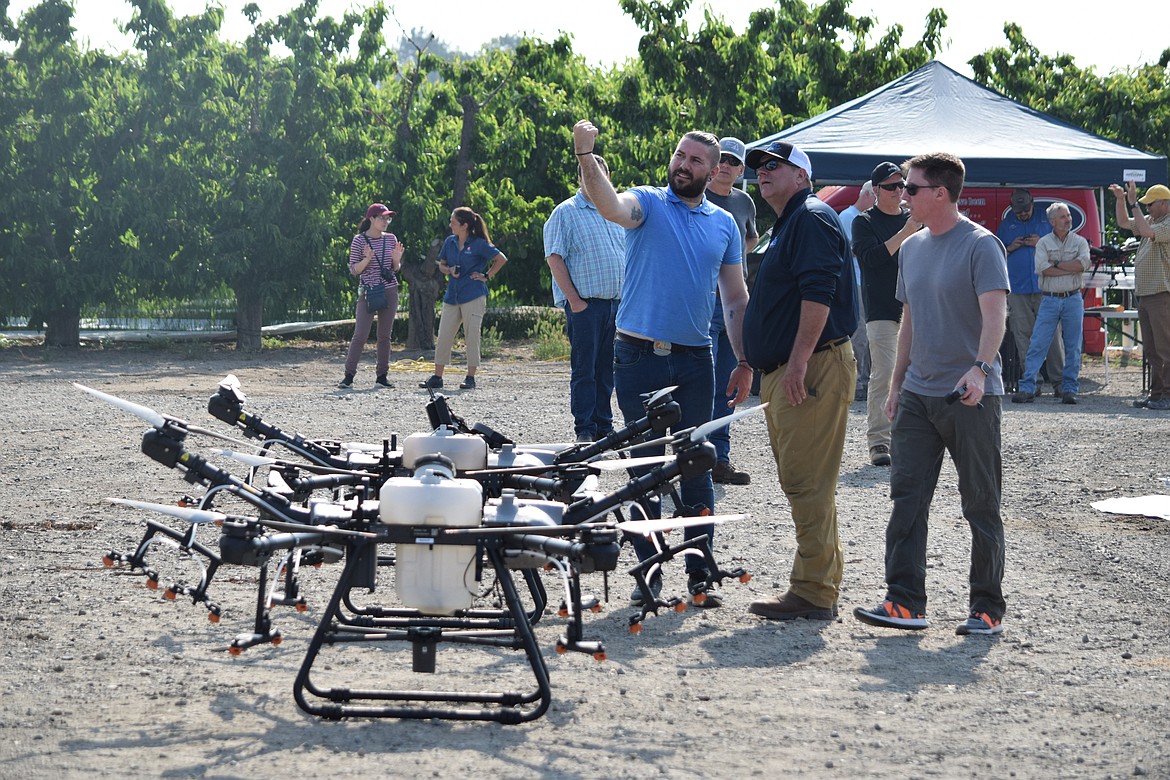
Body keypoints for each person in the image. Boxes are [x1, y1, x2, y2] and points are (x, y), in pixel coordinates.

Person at [572, 119, 750, 608]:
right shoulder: (647, 202)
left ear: (713, 173)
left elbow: (735, 299)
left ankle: (700, 576)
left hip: (697, 360)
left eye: (695, 160)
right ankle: (648, 572)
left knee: (698, 466)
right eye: (679, 155)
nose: (683, 164)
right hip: (637, 356)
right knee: (642, 469)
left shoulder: (725, 224)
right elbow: (609, 205)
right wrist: (587, 156)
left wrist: (745, 359)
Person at [853, 152, 1009, 637]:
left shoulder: (982, 246)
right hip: (919, 395)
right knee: (907, 499)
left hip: (969, 395)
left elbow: (995, 318)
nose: (903, 195)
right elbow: (910, 322)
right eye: (902, 188)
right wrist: (896, 386)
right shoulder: (914, 247)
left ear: (939, 193)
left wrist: (980, 371)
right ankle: (904, 603)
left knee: (980, 503)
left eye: (911, 188)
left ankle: (987, 608)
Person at [741, 140, 856, 622]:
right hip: (792, 368)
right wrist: (753, 358)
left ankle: (813, 591)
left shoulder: (809, 216)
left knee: (808, 481)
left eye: (775, 165)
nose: (763, 173)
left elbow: (819, 292)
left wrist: (798, 362)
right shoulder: (791, 221)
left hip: (810, 367)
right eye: (759, 167)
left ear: (802, 177)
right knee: (806, 481)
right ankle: (818, 583)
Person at [543, 154, 626, 442]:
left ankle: (604, 425)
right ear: (580, 178)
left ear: (608, 178)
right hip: (586, 307)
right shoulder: (565, 212)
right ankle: (585, 429)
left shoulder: (616, 213)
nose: (594, 180)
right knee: (585, 370)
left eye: (599, 176)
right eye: (589, 175)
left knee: (607, 372)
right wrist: (576, 303)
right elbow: (554, 258)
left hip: (617, 306)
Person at [851, 162, 920, 466]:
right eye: (891, 186)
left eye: (902, 185)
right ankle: (879, 442)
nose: (899, 191)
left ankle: (908, 438)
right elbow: (871, 259)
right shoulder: (863, 222)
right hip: (881, 309)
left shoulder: (916, 219)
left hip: (916, 308)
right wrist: (907, 232)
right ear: (875, 190)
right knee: (886, 374)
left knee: (918, 375)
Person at [705, 137, 759, 485]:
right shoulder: (698, 194)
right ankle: (689, 456)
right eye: (722, 159)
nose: (726, 166)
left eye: (734, 162)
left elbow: (750, 238)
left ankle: (719, 459)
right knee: (697, 382)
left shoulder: (744, 201)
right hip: (703, 300)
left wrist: (734, 259)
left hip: (735, 301)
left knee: (729, 384)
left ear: (741, 170)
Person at [418, 207, 507, 391]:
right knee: (443, 336)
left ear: (464, 226)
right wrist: (449, 270)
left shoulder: (479, 243)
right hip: (452, 296)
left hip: (473, 295)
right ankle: (437, 377)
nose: (450, 224)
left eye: (453, 222)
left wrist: (487, 276)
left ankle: (470, 377)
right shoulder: (450, 242)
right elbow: (442, 265)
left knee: (472, 336)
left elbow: (501, 259)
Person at [1011, 202, 1090, 405]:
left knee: (1073, 346)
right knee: (1037, 344)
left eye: (1069, 215)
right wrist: (1069, 267)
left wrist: (1056, 264)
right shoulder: (1044, 243)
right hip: (1050, 299)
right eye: (1063, 217)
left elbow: (1082, 265)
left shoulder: (1080, 242)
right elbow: (1043, 269)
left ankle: (1069, 389)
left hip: (1073, 298)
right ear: (1052, 221)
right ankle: (1028, 387)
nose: (1068, 219)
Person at [1110, 182, 1170, 410]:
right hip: (1147, 295)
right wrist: (1120, 199)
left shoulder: (1166, 224)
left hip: (1161, 295)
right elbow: (1125, 223)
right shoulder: (1153, 220)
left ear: (1164, 204)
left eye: (1151, 204)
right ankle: (1156, 394)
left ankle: (1167, 394)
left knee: (1165, 348)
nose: (1148, 209)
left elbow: (1145, 231)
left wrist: (1133, 202)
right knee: (1153, 350)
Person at [997, 188, 1060, 396]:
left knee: (1051, 334)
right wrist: (1011, 247)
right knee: (1023, 334)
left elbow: (1063, 249)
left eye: (1025, 210)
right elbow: (995, 255)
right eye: (1019, 211)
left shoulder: (1047, 220)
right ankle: (1032, 381)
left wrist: (1040, 242)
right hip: (1017, 288)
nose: (1023, 214)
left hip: (1045, 286)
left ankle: (1060, 381)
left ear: (1032, 203)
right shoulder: (1006, 225)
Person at [339, 203, 404, 389]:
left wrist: (397, 261)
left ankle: (382, 376)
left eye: (388, 218)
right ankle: (349, 376)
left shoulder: (391, 239)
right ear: (372, 219)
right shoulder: (359, 241)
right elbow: (354, 270)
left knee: (384, 335)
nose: (386, 221)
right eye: (382, 218)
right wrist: (367, 259)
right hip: (368, 289)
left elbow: (394, 269)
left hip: (389, 289)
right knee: (360, 334)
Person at [838, 183, 875, 404]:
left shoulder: (862, 218)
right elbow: (844, 249)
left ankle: (864, 379)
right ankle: (857, 381)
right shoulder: (847, 217)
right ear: (868, 195)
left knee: (870, 334)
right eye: (876, 197)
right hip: (856, 281)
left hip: (868, 282)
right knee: (859, 333)